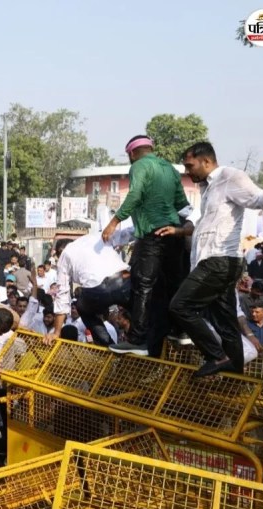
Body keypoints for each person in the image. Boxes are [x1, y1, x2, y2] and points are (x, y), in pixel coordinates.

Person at [170, 142, 263, 377]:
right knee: (226, 324)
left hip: (219, 261)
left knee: (179, 306)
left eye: (189, 165)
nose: (187, 171)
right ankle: (234, 372)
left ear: (206, 161)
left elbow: (261, 200)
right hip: (215, 262)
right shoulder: (208, 188)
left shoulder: (230, 177)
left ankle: (217, 356)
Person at [102, 135, 189, 356]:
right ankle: (180, 330)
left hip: (153, 234)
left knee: (142, 286)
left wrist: (114, 222)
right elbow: (182, 204)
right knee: (172, 285)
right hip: (175, 233)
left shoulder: (139, 166)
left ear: (131, 153)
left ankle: (137, 339)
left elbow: (135, 194)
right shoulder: (169, 167)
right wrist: (185, 229)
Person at [46, 235, 132, 347]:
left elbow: (62, 296)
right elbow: (125, 233)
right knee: (138, 308)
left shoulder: (65, 255)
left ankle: (107, 345)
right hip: (124, 280)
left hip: (99, 289)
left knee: (82, 307)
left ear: (59, 253)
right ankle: (141, 341)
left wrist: (56, 332)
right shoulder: (93, 238)